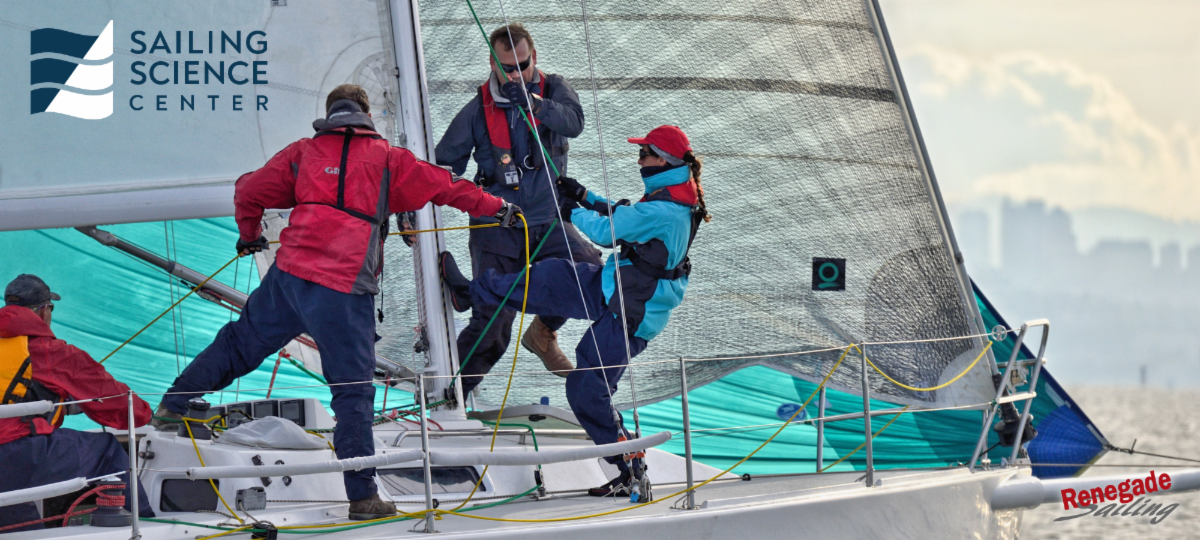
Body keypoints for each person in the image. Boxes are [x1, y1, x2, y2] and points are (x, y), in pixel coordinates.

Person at [153, 84, 516, 520]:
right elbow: (448, 186)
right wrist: (498, 208)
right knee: (352, 392)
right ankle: (363, 497)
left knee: (237, 345)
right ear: (367, 116)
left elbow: (247, 191)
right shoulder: (390, 159)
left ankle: (172, 407)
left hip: (288, 279)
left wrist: (250, 235)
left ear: (330, 116)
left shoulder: (303, 153)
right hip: (343, 288)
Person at [441, 125, 710, 499]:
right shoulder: (673, 196)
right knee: (551, 277)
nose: (639, 161)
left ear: (662, 161)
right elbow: (624, 214)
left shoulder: (666, 210)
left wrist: (569, 210)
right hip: (614, 288)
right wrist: (584, 195)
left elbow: (606, 232)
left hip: (630, 314)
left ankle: (632, 473)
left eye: (644, 154)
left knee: (587, 390)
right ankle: (470, 294)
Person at [435, 23, 602, 396]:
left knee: (592, 276)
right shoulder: (477, 110)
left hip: (549, 220)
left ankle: (542, 332)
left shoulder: (554, 89)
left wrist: (535, 104)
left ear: (534, 58)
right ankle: (448, 396)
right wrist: (410, 203)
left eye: (522, 66)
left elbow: (574, 123)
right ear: (492, 64)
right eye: (506, 68)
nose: (515, 74)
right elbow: (443, 165)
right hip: (497, 226)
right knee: (493, 324)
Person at [0, 274, 154, 531]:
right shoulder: (51, 351)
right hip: (15, 453)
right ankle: (149, 527)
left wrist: (60, 405)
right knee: (107, 450)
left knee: (17, 521)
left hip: (8, 463)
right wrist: (146, 414)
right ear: (44, 311)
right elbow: (122, 406)